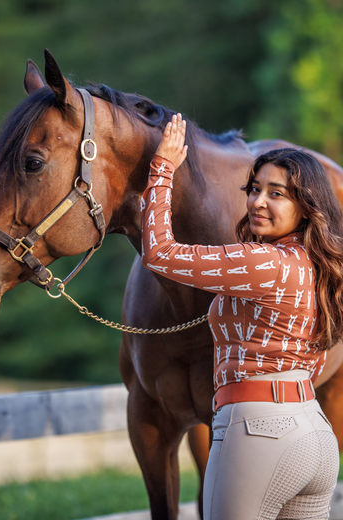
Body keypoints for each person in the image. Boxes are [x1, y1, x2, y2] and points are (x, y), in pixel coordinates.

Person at [140, 113, 343, 520]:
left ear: (306, 207)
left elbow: (160, 253)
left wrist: (161, 171)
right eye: (254, 189)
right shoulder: (321, 266)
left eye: (277, 193)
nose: (258, 201)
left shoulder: (262, 262)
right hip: (315, 436)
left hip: (257, 433)